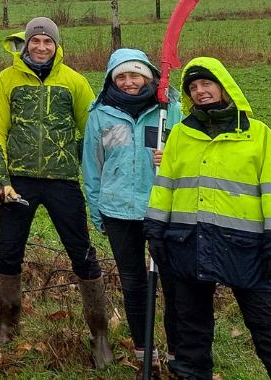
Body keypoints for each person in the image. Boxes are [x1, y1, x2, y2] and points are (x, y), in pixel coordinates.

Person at [147, 57, 271, 380]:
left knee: (268, 330)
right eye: (193, 87)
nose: (200, 92)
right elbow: (165, 187)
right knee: (191, 333)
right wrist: (155, 230)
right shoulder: (180, 135)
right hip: (188, 244)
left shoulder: (260, 136)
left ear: (224, 87)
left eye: (206, 84)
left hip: (247, 251)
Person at [0, 17, 112, 367]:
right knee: (8, 253)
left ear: (57, 46)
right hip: (19, 183)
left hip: (63, 183)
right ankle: (7, 325)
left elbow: (91, 130)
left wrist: (71, 158)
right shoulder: (6, 79)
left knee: (82, 254)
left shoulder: (74, 81)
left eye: (48, 42)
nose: (41, 47)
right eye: (35, 41)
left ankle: (100, 333)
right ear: (25, 44)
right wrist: (1, 178)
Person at [83, 47, 184, 366]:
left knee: (174, 283)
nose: (129, 82)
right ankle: (145, 349)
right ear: (112, 80)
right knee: (133, 283)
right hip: (119, 211)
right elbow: (92, 165)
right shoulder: (100, 114)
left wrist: (172, 158)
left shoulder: (170, 109)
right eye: (122, 76)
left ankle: (178, 351)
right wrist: (97, 208)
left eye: (135, 75)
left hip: (162, 209)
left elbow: (191, 157)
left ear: (150, 76)